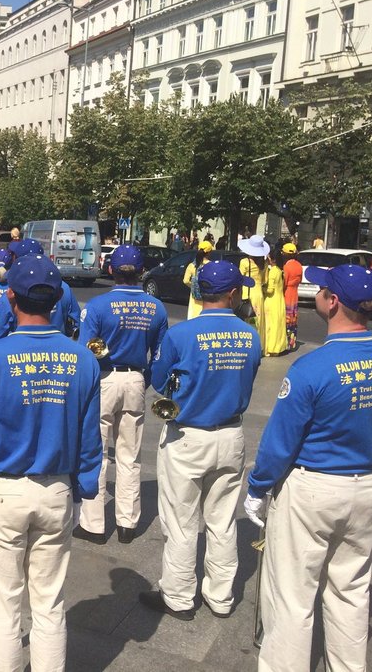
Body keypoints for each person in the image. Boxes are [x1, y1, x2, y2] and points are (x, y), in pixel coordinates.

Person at [0, 253, 101, 672]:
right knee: (50, 603)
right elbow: (91, 440)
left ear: (10, 297)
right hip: (57, 488)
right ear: (56, 301)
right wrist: (83, 491)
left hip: (2, 492)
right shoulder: (83, 359)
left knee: (4, 607)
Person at [244, 264, 372, 672]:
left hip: (313, 487)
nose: (317, 292)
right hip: (366, 482)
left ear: (333, 302)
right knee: (351, 592)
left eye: (322, 288)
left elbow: (279, 443)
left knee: (291, 595)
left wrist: (257, 487)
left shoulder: (312, 367)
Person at [140, 260, 262, 620]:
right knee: (222, 519)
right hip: (232, 432)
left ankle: (178, 596)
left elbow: (160, 383)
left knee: (181, 520)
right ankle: (220, 596)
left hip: (188, 436)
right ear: (232, 293)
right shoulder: (249, 334)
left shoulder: (181, 335)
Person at [75, 245, 168, 545]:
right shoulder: (157, 308)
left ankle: (94, 524)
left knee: (97, 453)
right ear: (141, 272)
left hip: (105, 377)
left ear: (112, 270)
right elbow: (161, 355)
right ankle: (127, 522)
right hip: (136, 379)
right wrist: (146, 380)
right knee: (130, 454)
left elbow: (84, 349)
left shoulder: (99, 305)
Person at [238, 234, 270, 351]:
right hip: (259, 293)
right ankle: (260, 346)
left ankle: (247, 346)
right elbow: (265, 280)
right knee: (259, 320)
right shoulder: (264, 263)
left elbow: (240, 277)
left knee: (247, 320)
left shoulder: (245, 262)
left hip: (248, 292)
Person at [262, 252, 288, 356]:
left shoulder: (272, 271)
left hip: (271, 301)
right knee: (278, 325)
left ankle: (270, 348)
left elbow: (270, 290)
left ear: (273, 260)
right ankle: (278, 348)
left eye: (268, 257)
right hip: (280, 300)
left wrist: (262, 288)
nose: (267, 259)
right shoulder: (279, 271)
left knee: (270, 325)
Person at [183, 240, 214, 320]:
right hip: (206, 298)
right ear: (209, 252)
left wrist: (192, 285)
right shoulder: (211, 266)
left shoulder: (192, 265)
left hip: (194, 298)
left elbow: (185, 281)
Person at [281, 243, 302, 352]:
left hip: (287, 294)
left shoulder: (286, 267)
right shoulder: (299, 265)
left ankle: (285, 343)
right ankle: (292, 342)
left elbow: (284, 283)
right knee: (293, 319)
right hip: (295, 294)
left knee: (286, 319)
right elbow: (300, 280)